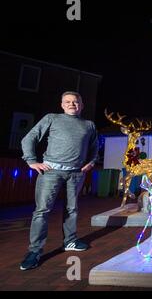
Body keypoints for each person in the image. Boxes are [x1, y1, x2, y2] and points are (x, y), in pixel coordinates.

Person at [19, 91, 98, 271]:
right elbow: (29, 138)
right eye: (68, 102)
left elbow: (94, 148)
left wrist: (92, 162)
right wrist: (31, 161)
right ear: (62, 105)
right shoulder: (52, 118)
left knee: (72, 208)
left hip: (76, 174)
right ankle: (34, 251)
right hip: (51, 172)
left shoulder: (89, 125)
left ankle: (70, 241)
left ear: (81, 105)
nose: (72, 104)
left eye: (76, 102)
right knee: (42, 211)